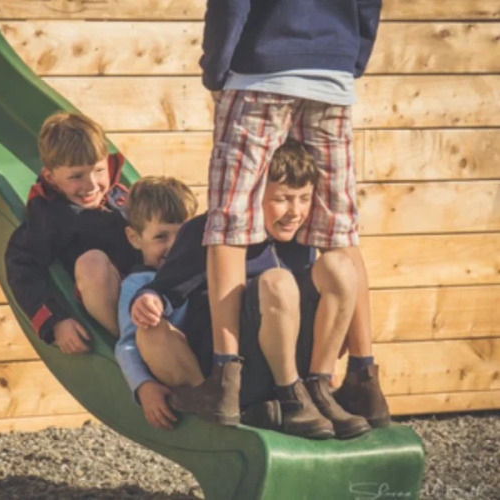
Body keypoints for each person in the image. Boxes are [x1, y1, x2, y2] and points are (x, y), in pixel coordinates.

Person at [196, 0, 386, 427]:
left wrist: (217, 70)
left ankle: (225, 380)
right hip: (333, 73)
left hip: (260, 69)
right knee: (340, 232)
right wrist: (349, 58)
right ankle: (364, 378)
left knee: (230, 224)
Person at [128, 140, 386, 439]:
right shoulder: (205, 231)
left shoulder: (302, 236)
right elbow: (165, 289)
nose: (295, 211)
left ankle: (318, 390)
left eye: (304, 198)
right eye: (283, 199)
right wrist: (148, 299)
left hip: (296, 363)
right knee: (277, 282)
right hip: (239, 368)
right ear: (251, 194)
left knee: (339, 266)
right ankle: (285, 399)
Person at [5, 112, 141, 352]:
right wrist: (56, 321)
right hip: (113, 302)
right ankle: (130, 340)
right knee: (92, 262)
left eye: (99, 170)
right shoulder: (49, 215)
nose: (91, 184)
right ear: (51, 177)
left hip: (149, 295)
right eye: (76, 176)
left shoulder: (121, 198)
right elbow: (22, 265)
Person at [115, 176, 199, 430]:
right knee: (149, 328)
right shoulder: (137, 284)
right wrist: (144, 385)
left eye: (183, 235)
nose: (174, 246)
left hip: (211, 359)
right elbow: (127, 343)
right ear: (134, 238)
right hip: (174, 365)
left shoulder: (200, 270)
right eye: (161, 237)